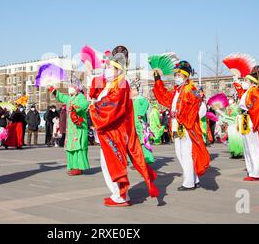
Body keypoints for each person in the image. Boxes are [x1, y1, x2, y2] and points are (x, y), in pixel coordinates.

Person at [89, 45, 158, 206]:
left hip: (116, 132)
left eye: (111, 67)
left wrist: (93, 108)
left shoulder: (122, 84)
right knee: (107, 163)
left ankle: (120, 196)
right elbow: (95, 91)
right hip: (108, 130)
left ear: (119, 69)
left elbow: (112, 105)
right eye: (107, 66)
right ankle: (117, 194)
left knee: (113, 163)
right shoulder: (112, 83)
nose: (108, 69)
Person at [153, 60, 210, 191]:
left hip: (186, 126)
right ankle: (194, 179)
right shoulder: (177, 91)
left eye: (179, 75)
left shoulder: (192, 90)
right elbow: (163, 97)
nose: (176, 77)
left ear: (186, 76)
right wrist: (157, 80)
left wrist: (187, 119)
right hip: (176, 125)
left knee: (186, 153)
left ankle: (188, 182)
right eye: (176, 75)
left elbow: (201, 107)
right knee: (179, 153)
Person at [51, 76, 90, 176]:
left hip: (79, 127)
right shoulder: (70, 98)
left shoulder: (80, 96)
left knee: (78, 147)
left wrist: (76, 108)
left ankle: (78, 167)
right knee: (70, 147)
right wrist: (53, 89)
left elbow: (85, 104)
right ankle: (72, 166)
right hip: (71, 129)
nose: (69, 88)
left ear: (76, 88)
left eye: (71, 86)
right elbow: (61, 97)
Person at [130, 80, 154, 164]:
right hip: (133, 124)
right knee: (134, 142)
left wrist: (140, 113)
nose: (131, 91)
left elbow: (146, 104)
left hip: (140, 124)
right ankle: (135, 159)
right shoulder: (132, 100)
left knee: (143, 141)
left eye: (132, 90)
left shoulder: (140, 98)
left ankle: (148, 158)